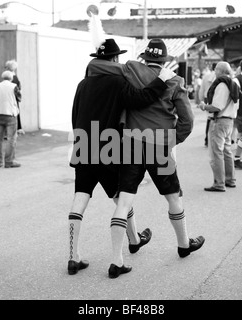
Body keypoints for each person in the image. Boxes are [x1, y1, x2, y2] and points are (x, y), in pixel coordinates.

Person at [88, 38, 204, 278]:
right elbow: (187, 121)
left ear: (144, 56)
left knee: (124, 202)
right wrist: (173, 140)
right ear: (164, 59)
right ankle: (183, 245)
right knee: (173, 197)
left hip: (130, 143)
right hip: (159, 146)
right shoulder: (174, 80)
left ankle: (116, 259)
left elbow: (99, 67)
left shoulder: (129, 69)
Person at [68, 38, 175, 277]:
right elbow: (140, 100)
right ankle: (122, 254)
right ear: (115, 59)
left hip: (83, 146)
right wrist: (161, 81)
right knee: (121, 200)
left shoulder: (82, 84)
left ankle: (73, 257)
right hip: (108, 148)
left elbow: (75, 116)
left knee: (80, 199)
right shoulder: (118, 81)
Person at [199, 61, 239, 192]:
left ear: (221, 71)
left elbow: (217, 106)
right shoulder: (233, 83)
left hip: (220, 121)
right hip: (229, 120)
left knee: (217, 153)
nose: (214, 72)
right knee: (227, 151)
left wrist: (204, 106)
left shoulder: (222, 85)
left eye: (216, 69)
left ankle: (219, 183)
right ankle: (230, 179)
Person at [0, 71, 22, 168]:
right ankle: (9, 161)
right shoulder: (14, 86)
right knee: (11, 139)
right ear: (11, 78)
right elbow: (19, 98)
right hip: (10, 114)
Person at [199, 63, 217, 147]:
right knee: (215, 118)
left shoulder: (206, 76)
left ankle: (207, 139)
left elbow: (202, 88)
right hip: (215, 97)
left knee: (209, 118)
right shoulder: (218, 76)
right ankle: (211, 139)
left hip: (207, 97)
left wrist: (201, 99)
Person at [5, 60, 24, 135]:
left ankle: (13, 129)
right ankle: (18, 128)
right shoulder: (15, 76)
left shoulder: (10, 77)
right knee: (16, 112)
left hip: (11, 98)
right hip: (15, 97)